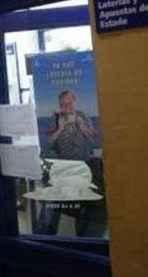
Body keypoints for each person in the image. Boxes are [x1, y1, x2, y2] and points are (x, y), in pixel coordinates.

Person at [38, 90, 102, 236]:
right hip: (61, 170)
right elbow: (48, 141)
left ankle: (83, 243)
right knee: (52, 208)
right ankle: (45, 239)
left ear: (74, 101)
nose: (66, 107)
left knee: (82, 208)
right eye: (63, 104)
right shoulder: (55, 118)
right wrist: (60, 128)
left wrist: (82, 126)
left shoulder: (83, 116)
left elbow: (94, 139)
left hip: (82, 169)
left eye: (69, 103)